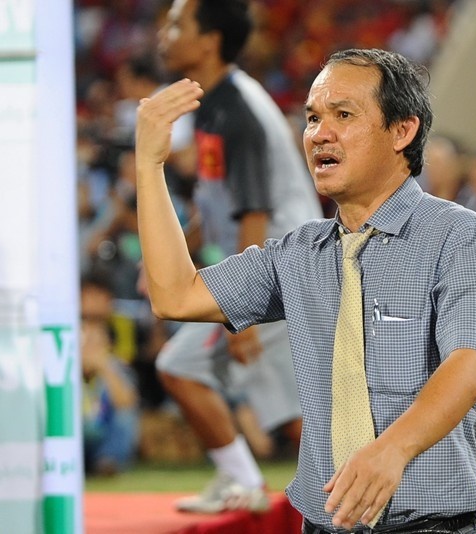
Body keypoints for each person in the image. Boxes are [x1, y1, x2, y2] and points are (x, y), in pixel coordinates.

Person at [135, 46, 476, 533]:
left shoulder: (457, 234)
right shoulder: (298, 252)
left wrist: (391, 450)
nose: (319, 133)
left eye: (343, 115)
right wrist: (149, 166)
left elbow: (471, 364)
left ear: (403, 131)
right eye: (313, 117)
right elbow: (175, 295)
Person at [151, 0, 323, 514]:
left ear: (209, 41)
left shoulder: (238, 111)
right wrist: (171, 253)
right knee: (299, 408)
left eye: (178, 23)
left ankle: (249, 482)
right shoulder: (218, 101)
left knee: (180, 366)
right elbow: (219, 200)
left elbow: (254, 212)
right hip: (282, 265)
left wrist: (241, 305)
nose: (165, 32)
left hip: (280, 267)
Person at [80, 272, 140, 476]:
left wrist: (104, 367)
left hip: (101, 432)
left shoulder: (113, 363)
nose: (90, 346)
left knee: (125, 410)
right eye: (85, 340)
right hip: (77, 433)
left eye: (96, 340)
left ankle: (108, 461)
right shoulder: (62, 367)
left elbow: (126, 403)